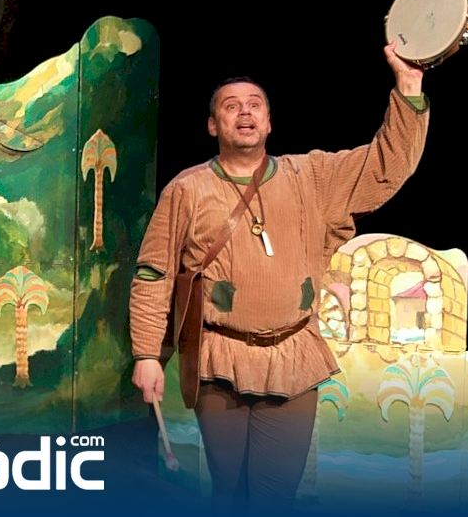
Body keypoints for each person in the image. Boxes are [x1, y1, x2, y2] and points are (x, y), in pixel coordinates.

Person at [129, 42, 427, 509]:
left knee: (274, 496)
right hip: (220, 361)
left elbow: (385, 166)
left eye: (255, 105)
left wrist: (408, 85)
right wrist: (147, 354)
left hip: (293, 356)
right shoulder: (187, 189)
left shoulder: (312, 177)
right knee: (229, 491)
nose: (244, 113)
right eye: (231, 106)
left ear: (269, 123)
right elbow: (154, 272)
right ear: (213, 125)